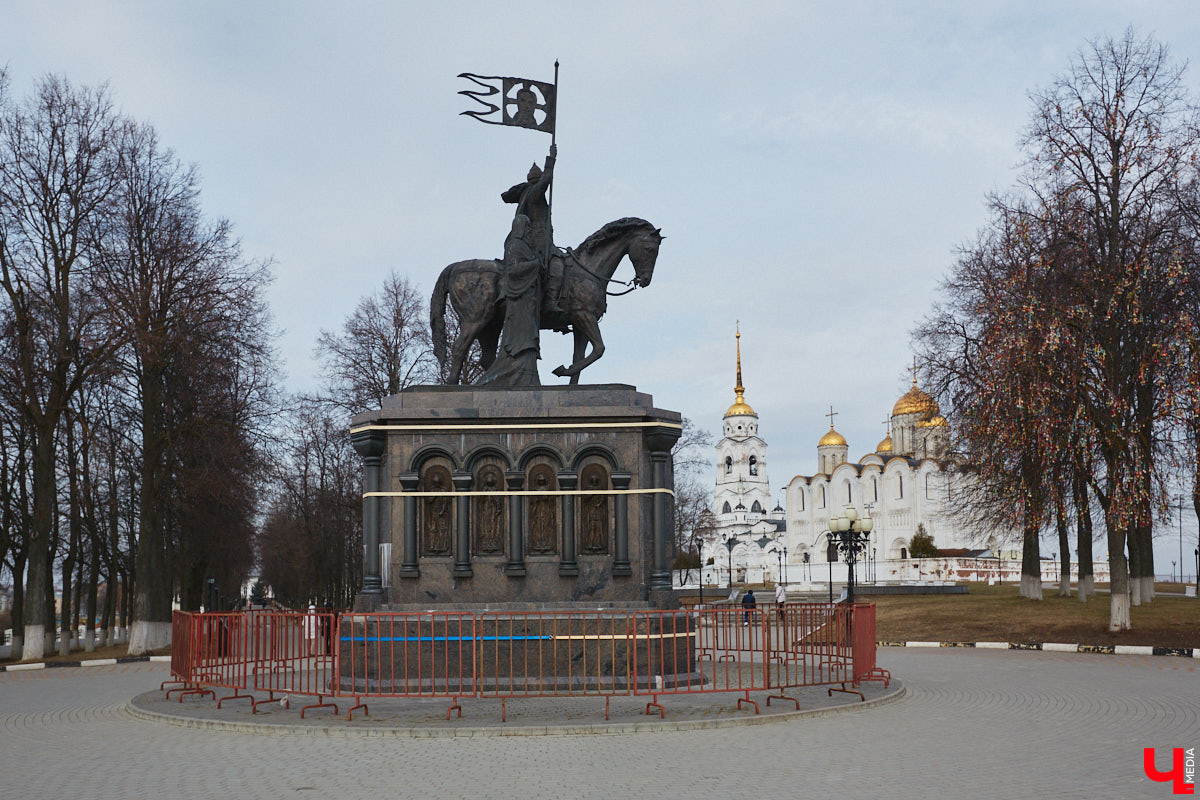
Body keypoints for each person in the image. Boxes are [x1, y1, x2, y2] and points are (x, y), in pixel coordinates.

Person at [501, 144, 563, 317]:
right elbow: (546, 180)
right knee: (557, 262)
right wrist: (551, 160)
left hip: (538, 237)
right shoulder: (535, 193)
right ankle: (550, 301)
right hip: (537, 239)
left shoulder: (527, 194)